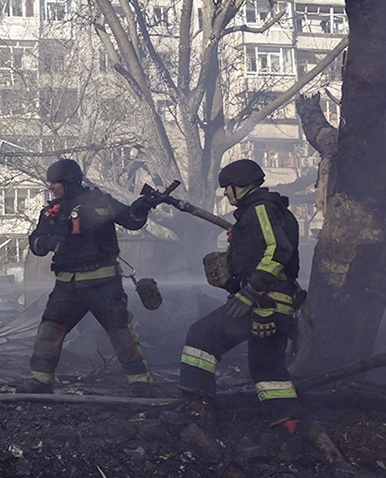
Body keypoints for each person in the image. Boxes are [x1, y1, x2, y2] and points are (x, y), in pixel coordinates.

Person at [162, 159, 303, 429]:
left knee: (202, 335)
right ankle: (287, 425)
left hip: (262, 300)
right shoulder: (270, 210)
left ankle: (196, 405)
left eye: (227, 187)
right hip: (279, 304)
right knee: (268, 369)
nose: (225, 193)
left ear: (242, 186)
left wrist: (250, 291)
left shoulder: (260, 208)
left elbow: (278, 251)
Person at [16, 158, 159, 396]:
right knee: (49, 331)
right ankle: (40, 382)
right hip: (67, 287)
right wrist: (50, 242)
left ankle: (141, 384)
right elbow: (35, 243)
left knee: (121, 333)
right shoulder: (52, 212)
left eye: (55, 183)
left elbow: (131, 221)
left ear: (69, 182)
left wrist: (141, 207)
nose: (50, 187)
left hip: (104, 285)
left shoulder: (99, 201)